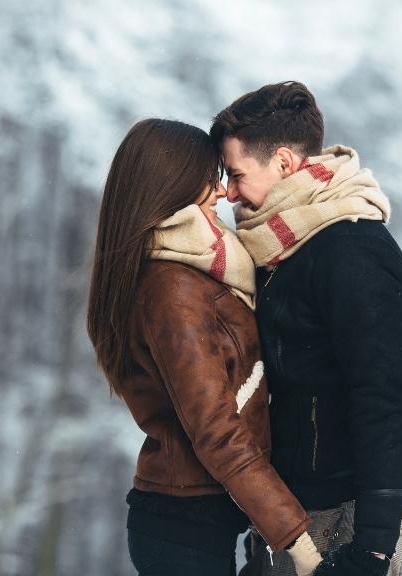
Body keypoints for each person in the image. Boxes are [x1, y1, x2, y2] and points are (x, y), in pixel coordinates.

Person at [87, 119, 323, 576]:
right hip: (184, 531)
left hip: (193, 523)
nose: (221, 191)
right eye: (209, 176)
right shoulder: (173, 287)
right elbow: (215, 428)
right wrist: (294, 534)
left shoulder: (183, 272)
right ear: (174, 182)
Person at [209, 82, 402, 576]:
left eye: (237, 175)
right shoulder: (283, 247)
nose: (229, 192)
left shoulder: (352, 250)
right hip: (293, 509)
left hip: (347, 516)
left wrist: (373, 547)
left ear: (284, 163)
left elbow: (384, 396)